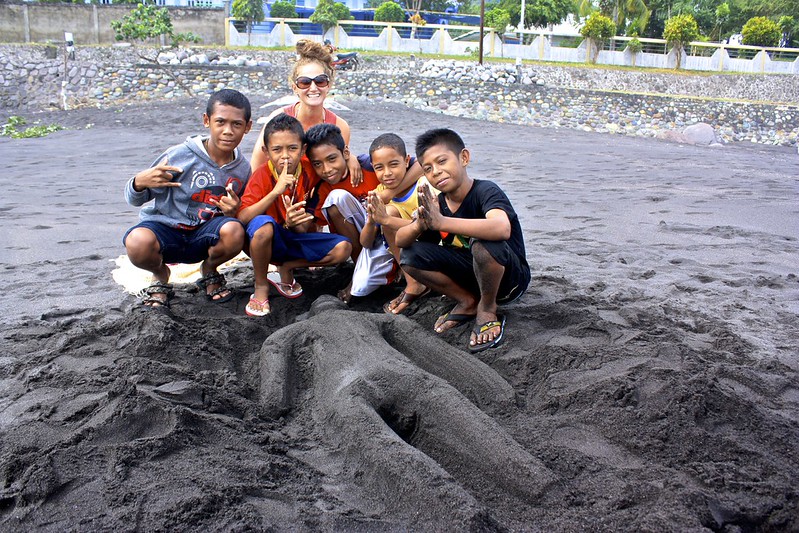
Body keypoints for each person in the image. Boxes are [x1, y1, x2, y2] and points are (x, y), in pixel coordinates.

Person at [395, 128, 531, 352]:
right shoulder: (438, 204)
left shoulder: (486, 191)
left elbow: (501, 228)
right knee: (410, 254)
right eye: (428, 169)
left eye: (442, 161)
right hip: (474, 275)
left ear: (464, 158)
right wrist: (421, 223)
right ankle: (467, 301)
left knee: (484, 240)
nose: (436, 171)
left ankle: (487, 309)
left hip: (509, 281)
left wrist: (442, 222)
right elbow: (401, 241)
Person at [122, 89, 253, 308]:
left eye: (236, 124)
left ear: (247, 127)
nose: (228, 131)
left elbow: (240, 214)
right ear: (206, 120)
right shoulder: (179, 156)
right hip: (166, 231)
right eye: (220, 122)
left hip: (205, 236)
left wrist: (234, 212)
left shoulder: (243, 169)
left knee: (234, 230)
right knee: (137, 242)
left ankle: (209, 269)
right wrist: (138, 182)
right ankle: (160, 274)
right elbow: (135, 199)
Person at [238, 114, 352, 317]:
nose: (285, 156)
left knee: (343, 248)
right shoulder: (262, 175)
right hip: (266, 242)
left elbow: (335, 161)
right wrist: (275, 192)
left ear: (303, 149)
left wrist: (352, 161)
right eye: (277, 149)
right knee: (264, 225)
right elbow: (243, 217)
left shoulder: (310, 170)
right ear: (266, 151)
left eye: (292, 148)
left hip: (294, 237)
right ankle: (261, 285)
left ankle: (286, 267)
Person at [304, 123, 400, 302]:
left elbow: (418, 165)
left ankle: (398, 265)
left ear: (346, 153)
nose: (327, 169)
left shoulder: (370, 166)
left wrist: (389, 193)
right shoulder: (322, 188)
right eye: (318, 164)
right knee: (362, 287)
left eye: (332, 159)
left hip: (392, 232)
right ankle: (359, 267)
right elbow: (311, 224)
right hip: (366, 238)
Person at [249, 40, 362, 185]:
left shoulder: (340, 127)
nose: (313, 88)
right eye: (305, 82)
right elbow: (256, 168)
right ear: (294, 87)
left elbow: (335, 165)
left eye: (320, 81)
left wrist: (350, 157)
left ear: (329, 85)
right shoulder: (278, 119)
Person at [362, 133, 434, 315]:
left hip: (437, 243)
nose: (387, 173)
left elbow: (434, 227)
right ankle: (413, 283)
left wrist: (386, 219)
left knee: (387, 215)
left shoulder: (424, 184)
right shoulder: (379, 192)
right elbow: (365, 242)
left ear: (407, 161)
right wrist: (372, 219)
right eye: (379, 167)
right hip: (412, 248)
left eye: (394, 164)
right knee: (387, 212)